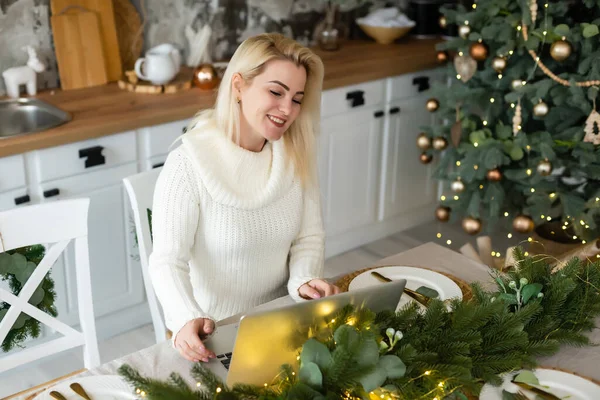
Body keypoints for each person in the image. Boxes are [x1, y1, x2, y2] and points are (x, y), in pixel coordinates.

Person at [148, 33, 340, 363]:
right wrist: (184, 318)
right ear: (238, 86)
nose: (287, 110)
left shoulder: (295, 154)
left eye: (296, 98)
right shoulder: (188, 164)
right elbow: (168, 260)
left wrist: (305, 279)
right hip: (216, 336)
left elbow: (308, 238)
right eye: (276, 92)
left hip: (285, 324)